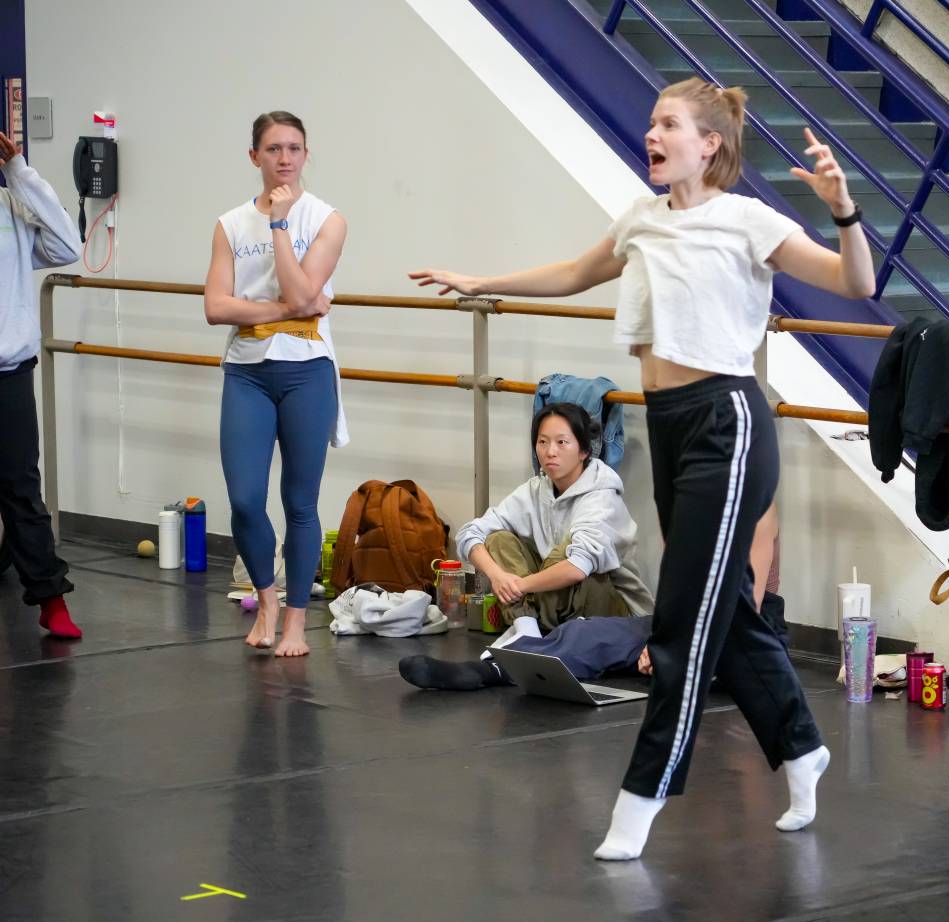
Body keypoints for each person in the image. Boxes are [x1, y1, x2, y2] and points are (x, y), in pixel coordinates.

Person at [410, 77, 874, 859]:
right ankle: (801, 747)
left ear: (710, 144)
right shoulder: (641, 220)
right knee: (724, 611)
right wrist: (482, 281)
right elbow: (572, 272)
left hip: (727, 422)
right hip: (669, 424)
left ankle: (642, 796)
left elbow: (857, 283)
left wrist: (842, 208)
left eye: (668, 124)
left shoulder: (746, 219)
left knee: (680, 624)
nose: (651, 134)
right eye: (651, 121)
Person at [204, 111, 348, 657]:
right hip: (247, 371)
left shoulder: (327, 219)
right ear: (254, 157)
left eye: (293, 148)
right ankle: (265, 597)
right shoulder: (230, 223)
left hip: (307, 369)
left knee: (300, 503)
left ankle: (293, 622)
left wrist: (282, 226)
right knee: (244, 498)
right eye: (272, 149)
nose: (284, 158)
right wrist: (280, 308)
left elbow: (306, 296)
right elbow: (216, 307)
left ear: (306, 154)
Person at [399, 402, 653, 692]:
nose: (550, 452)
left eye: (561, 443)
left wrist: (520, 586)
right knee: (498, 540)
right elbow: (471, 533)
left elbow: (577, 567)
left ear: (583, 451)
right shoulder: (536, 489)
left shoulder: (602, 498)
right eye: (542, 442)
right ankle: (527, 631)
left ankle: (497, 666)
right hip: (554, 602)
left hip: (607, 608)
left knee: (567, 552)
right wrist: (497, 576)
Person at [0, 131, 84, 639]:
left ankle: (51, 602)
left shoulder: (12, 205)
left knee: (21, 491)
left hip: (8, 373)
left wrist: (20, 172)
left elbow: (67, 245)